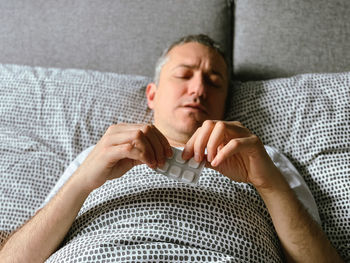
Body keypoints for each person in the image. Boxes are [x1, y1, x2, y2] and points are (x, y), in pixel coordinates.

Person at [0, 34, 343, 262]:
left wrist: (268, 183)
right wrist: (84, 180)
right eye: (184, 74)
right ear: (152, 93)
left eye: (214, 82)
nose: (198, 90)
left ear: (226, 100)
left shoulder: (265, 159)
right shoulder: (97, 155)